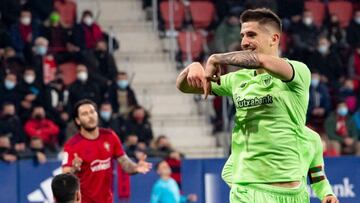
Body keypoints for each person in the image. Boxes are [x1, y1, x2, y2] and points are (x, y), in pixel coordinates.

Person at [176, 8, 314, 202]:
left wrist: (217, 58)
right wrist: (192, 68)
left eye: (251, 35)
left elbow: (262, 61)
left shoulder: (298, 72)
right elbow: (185, 87)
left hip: (292, 192)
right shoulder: (237, 80)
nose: (244, 42)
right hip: (247, 190)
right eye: (242, 35)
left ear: (274, 39)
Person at [62, 99, 151, 203]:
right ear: (78, 120)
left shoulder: (110, 136)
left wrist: (135, 167)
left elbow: (124, 162)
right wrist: (74, 169)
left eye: (92, 112)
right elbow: (65, 176)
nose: (90, 116)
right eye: (85, 114)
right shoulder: (72, 145)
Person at [221, 127, 338, 203]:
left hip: (298, 199)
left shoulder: (313, 138)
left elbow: (317, 176)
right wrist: (253, 193)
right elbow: (228, 171)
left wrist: (327, 193)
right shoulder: (259, 131)